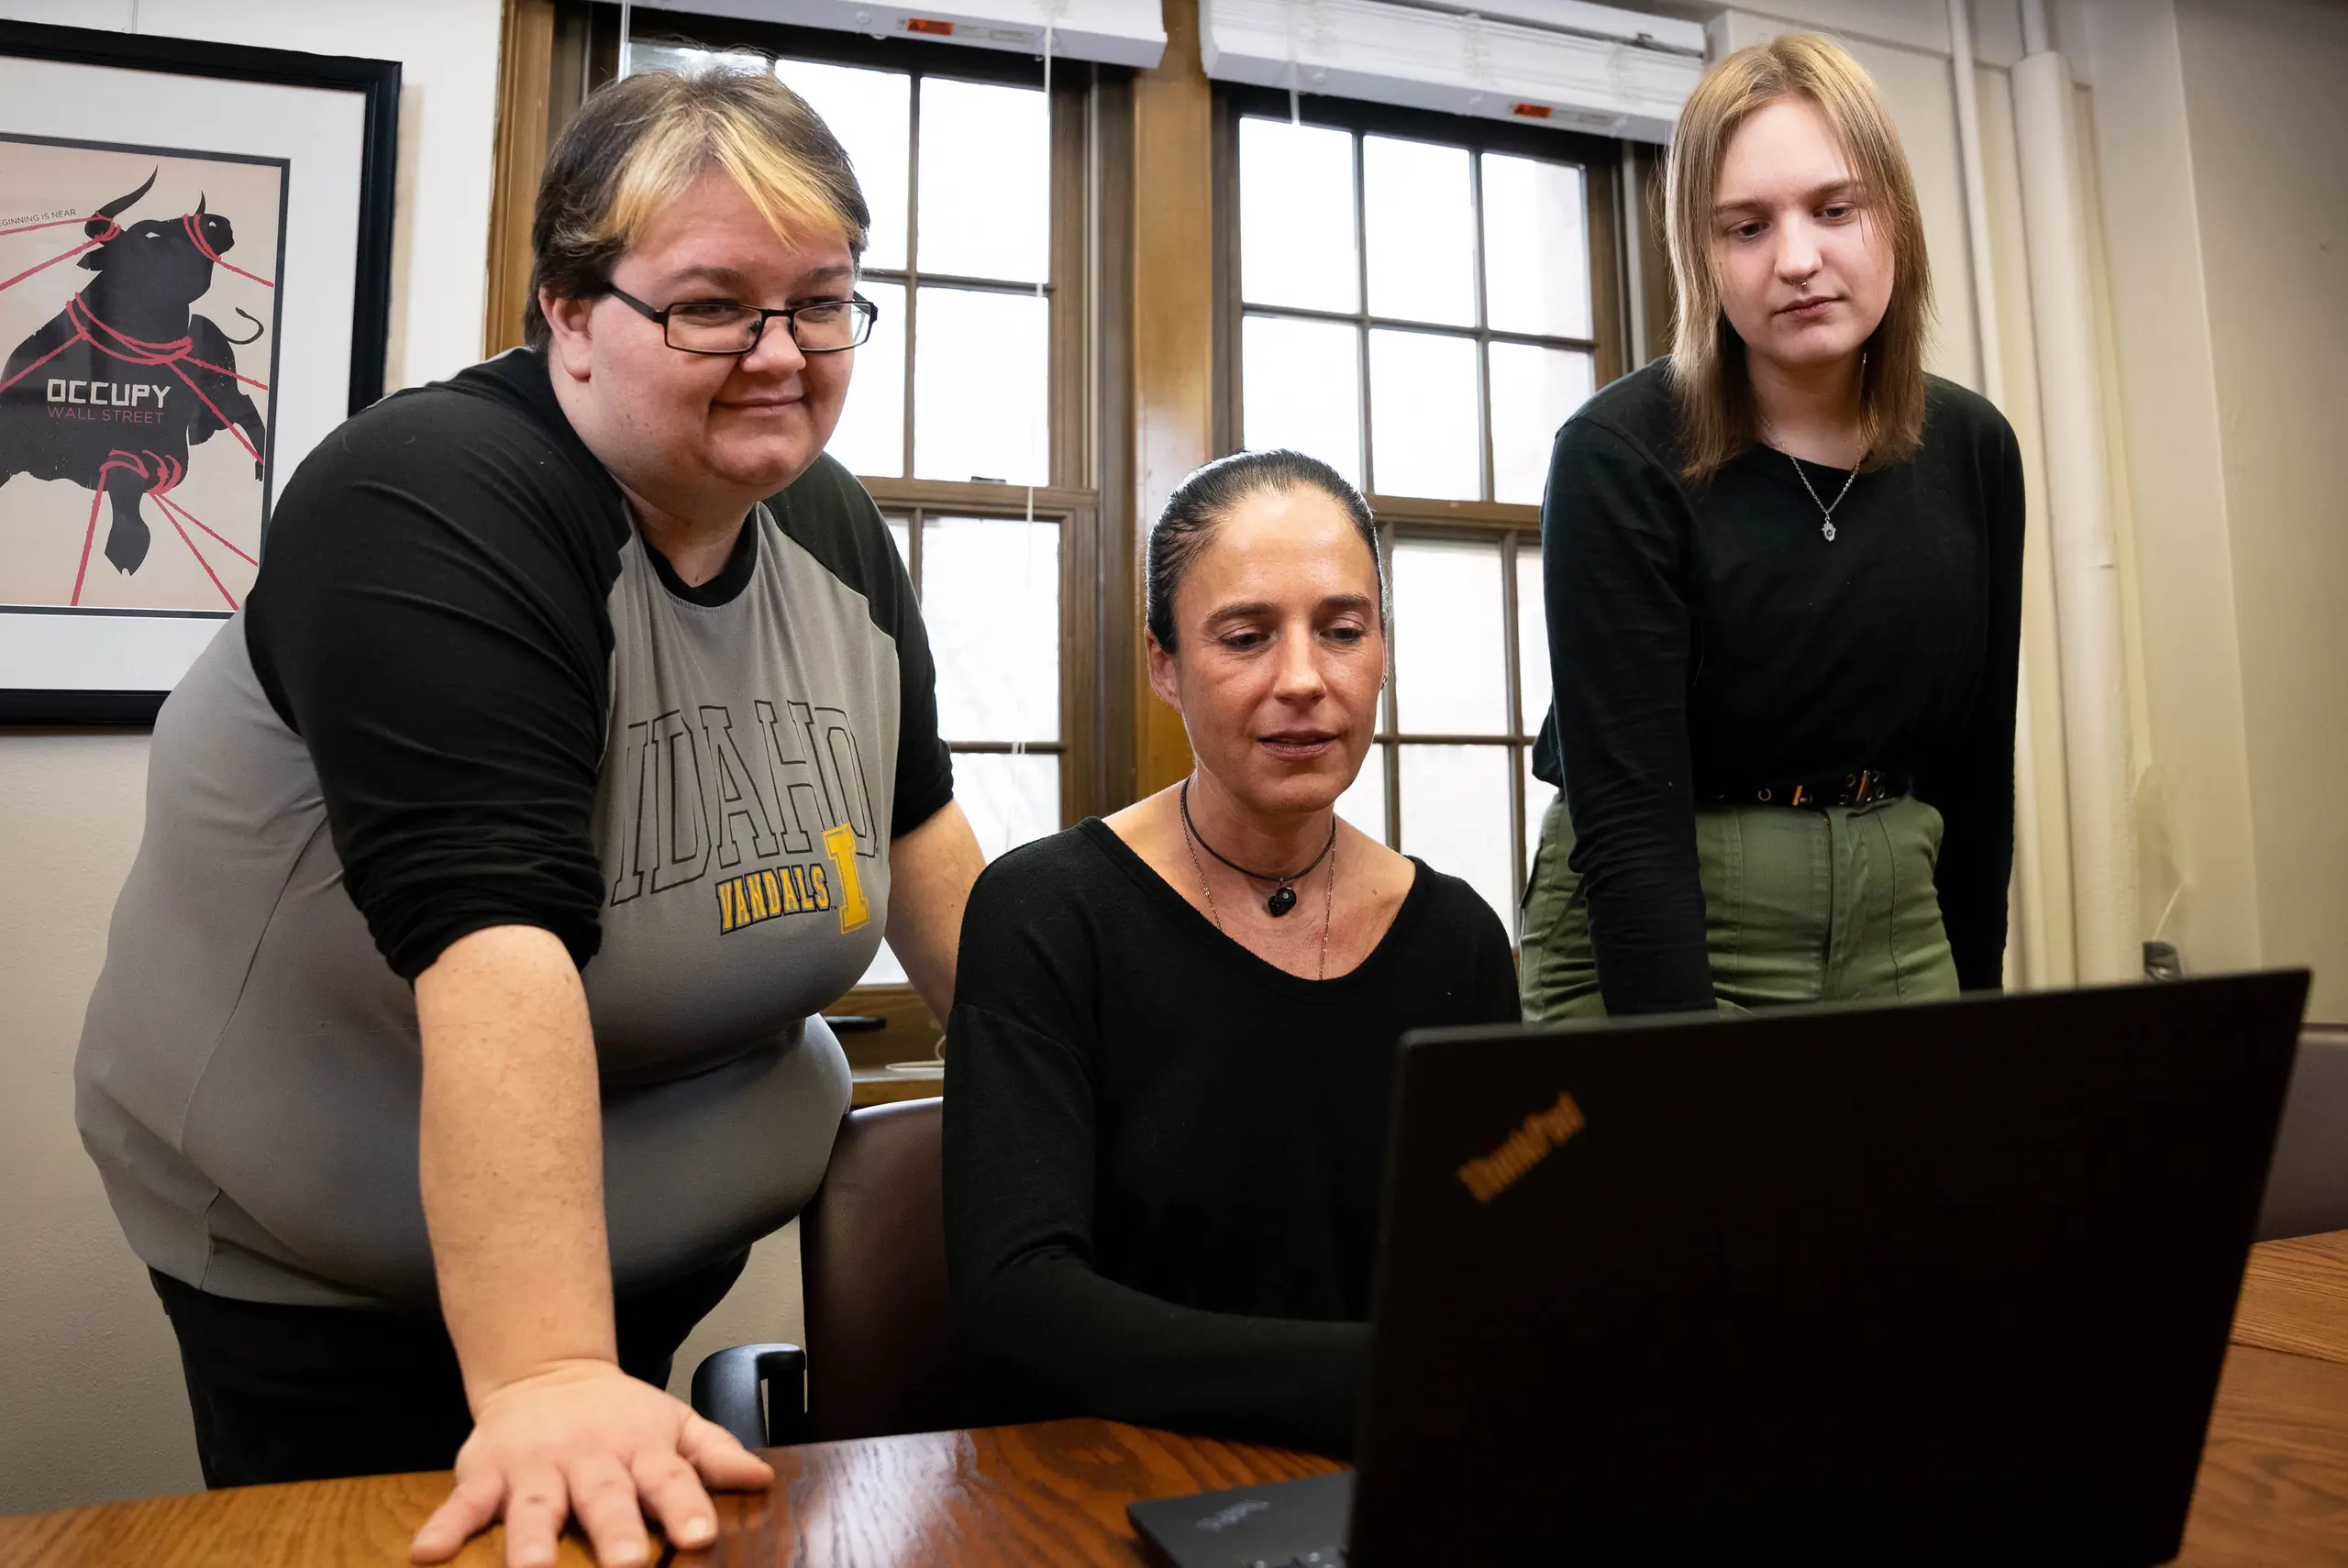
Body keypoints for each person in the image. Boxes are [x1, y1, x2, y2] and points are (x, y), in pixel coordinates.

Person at [74, 69, 986, 1568]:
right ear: (567, 310)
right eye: (712, 305)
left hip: (662, 1249)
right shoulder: (427, 502)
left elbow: (926, 845)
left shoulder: (822, 522)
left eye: (823, 301)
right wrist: (552, 1374)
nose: (781, 354)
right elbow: (497, 950)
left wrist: (1101, 1148)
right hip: (334, 1300)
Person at [942, 450, 1521, 1459]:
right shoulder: (1047, 913)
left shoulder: (1457, 938)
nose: (1303, 680)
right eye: (1246, 637)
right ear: (1163, 663)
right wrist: (1391, 1377)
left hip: (1387, 1478)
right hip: (1108, 1473)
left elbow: (1493, 1266)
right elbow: (1019, 1303)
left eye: (1343, 632)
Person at [1520, 34, 2023, 1021]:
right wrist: (1677, 1075)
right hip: (1664, 924)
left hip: (1895, 918)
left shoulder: (1972, 449)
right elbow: (1626, 818)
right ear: (1700, 254)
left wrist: (1981, 1023)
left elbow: (1975, 773)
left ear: (1895, 219)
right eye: (1745, 228)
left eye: (1835, 210)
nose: (1798, 260)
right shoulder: (1617, 455)